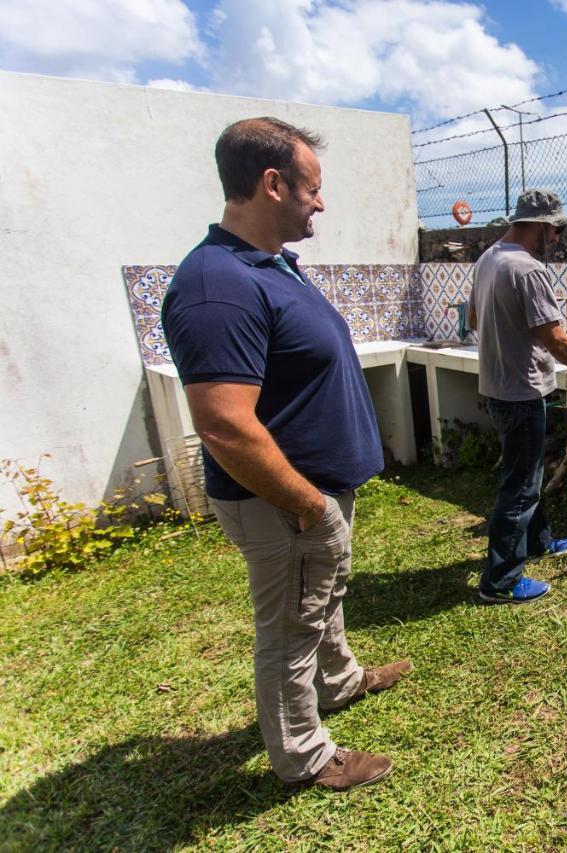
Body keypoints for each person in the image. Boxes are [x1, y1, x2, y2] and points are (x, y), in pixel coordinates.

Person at [161, 117, 411, 790]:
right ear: (272, 184)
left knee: (321, 599)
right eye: (313, 188)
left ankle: (341, 679)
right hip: (281, 499)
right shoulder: (218, 284)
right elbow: (223, 424)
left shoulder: (270, 267)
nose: (320, 203)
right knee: (289, 626)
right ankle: (304, 753)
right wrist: (306, 503)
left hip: (314, 488)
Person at [467, 188, 567, 604]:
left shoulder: (488, 258)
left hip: (497, 385)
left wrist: (506, 341)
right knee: (520, 485)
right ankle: (500, 581)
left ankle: (540, 540)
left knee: (526, 471)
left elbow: (474, 318)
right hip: (521, 390)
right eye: (556, 230)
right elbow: (556, 339)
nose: (558, 238)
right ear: (543, 226)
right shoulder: (527, 270)